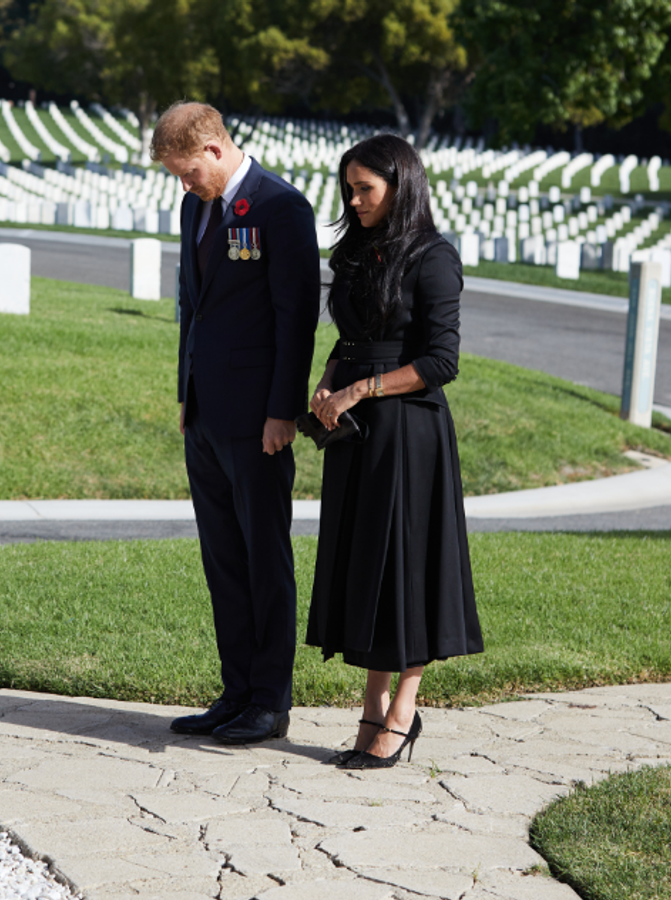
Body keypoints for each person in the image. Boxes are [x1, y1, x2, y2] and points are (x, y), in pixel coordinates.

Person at [305, 134, 483, 769]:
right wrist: (328, 381)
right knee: (367, 573)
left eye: (365, 190)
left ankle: (401, 712)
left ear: (400, 186)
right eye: (348, 190)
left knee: (405, 575)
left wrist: (359, 388)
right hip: (356, 438)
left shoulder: (435, 258)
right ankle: (371, 706)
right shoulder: (356, 251)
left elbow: (441, 361)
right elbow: (350, 337)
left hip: (409, 436)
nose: (353, 201)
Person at [151, 102, 319, 744]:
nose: (184, 185)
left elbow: (294, 318)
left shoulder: (281, 208)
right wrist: (185, 395)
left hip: (258, 420)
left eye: (189, 171)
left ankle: (269, 702)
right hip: (206, 414)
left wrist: (283, 411)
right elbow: (194, 308)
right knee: (223, 558)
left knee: (263, 558)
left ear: (216, 149)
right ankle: (235, 691)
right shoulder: (197, 206)